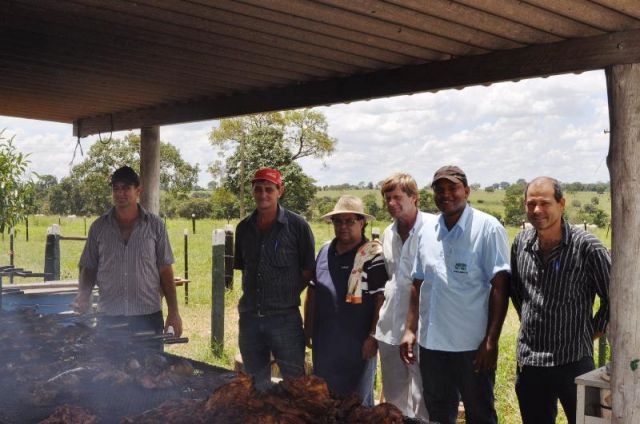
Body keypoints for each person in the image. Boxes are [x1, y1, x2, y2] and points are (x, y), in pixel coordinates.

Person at [400, 165, 510, 424]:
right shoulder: (427, 230)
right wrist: (410, 330)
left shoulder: (487, 228)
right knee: (438, 413)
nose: (446, 194)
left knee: (480, 413)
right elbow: (417, 283)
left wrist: (491, 341)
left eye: (453, 188)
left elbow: (500, 286)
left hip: (471, 346)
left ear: (467, 191)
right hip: (432, 344)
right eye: (439, 189)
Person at [510, 177, 610, 424]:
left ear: (561, 203)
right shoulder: (521, 243)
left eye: (544, 203)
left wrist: (590, 332)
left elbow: (613, 298)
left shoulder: (587, 247)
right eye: (531, 204)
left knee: (587, 422)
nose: (536, 210)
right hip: (531, 364)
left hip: (574, 361)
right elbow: (518, 292)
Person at [75, 165, 183, 341]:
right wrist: (83, 295)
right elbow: (89, 266)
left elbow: (165, 270)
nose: (120, 193)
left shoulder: (155, 226)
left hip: (147, 316)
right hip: (109, 316)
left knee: (151, 359)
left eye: (126, 188)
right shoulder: (99, 227)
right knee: (108, 360)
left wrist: (173, 312)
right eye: (116, 188)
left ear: (138, 190)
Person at [234, 167, 315, 390]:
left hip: (285, 320)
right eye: (258, 189)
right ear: (252, 191)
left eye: (269, 189)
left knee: (295, 385)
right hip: (250, 319)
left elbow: (308, 271)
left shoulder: (298, 227)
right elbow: (244, 269)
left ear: (280, 190)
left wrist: (285, 295)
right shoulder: (243, 228)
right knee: (255, 384)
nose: (263, 195)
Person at [304, 195, 388, 406]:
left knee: (356, 405)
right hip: (325, 342)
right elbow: (313, 292)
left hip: (358, 345)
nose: (343, 227)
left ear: (362, 223)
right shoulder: (325, 251)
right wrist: (308, 329)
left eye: (350, 221)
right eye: (338, 221)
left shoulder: (373, 256)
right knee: (324, 400)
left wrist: (372, 337)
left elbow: (381, 299)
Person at [374, 173, 433, 420]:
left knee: (424, 398)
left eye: (397, 197)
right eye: (387, 198)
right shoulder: (388, 233)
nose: (391, 203)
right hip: (389, 326)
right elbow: (392, 280)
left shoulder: (433, 228)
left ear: (414, 197)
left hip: (425, 328)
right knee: (394, 399)